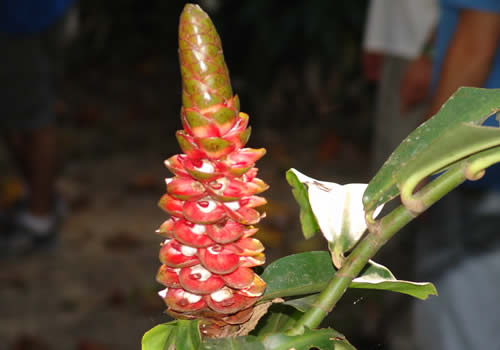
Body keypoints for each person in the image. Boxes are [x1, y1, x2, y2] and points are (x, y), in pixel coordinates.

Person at [412, 2, 500, 349]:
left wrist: (425, 159)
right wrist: (430, 51)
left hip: (476, 164)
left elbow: (478, 35)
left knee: (463, 318)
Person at [0, 1, 77, 255]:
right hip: (45, 13)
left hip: (22, 21)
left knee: (32, 117)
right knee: (27, 112)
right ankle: (41, 201)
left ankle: (39, 218)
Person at [362, 0, 438, 173]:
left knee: (404, 157)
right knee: (389, 147)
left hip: (420, 48)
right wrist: (375, 39)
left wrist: (429, 54)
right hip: (398, 44)